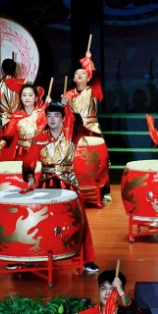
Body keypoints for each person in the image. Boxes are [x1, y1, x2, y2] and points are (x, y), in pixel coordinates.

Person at [30, 103, 100, 274]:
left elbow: (78, 123)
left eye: (57, 115)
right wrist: (29, 176)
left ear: (63, 118)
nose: (52, 119)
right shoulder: (39, 138)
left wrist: (67, 106)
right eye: (49, 116)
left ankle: (86, 260)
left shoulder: (71, 135)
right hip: (46, 184)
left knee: (79, 220)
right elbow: (28, 162)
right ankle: (31, 258)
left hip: (68, 185)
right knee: (40, 221)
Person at [63, 47, 111, 203]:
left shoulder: (92, 91)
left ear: (88, 78)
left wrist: (89, 62)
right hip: (75, 130)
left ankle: (103, 191)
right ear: (73, 78)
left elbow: (95, 78)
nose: (79, 74)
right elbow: (65, 115)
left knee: (99, 160)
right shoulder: (68, 94)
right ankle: (74, 189)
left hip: (91, 128)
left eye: (83, 73)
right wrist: (63, 104)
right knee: (75, 160)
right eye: (77, 73)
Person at [0, 82, 46, 163]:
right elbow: (8, 135)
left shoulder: (42, 114)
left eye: (30, 95)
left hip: (39, 154)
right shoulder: (16, 116)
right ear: (20, 98)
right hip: (22, 156)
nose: (27, 98)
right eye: (24, 95)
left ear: (35, 98)